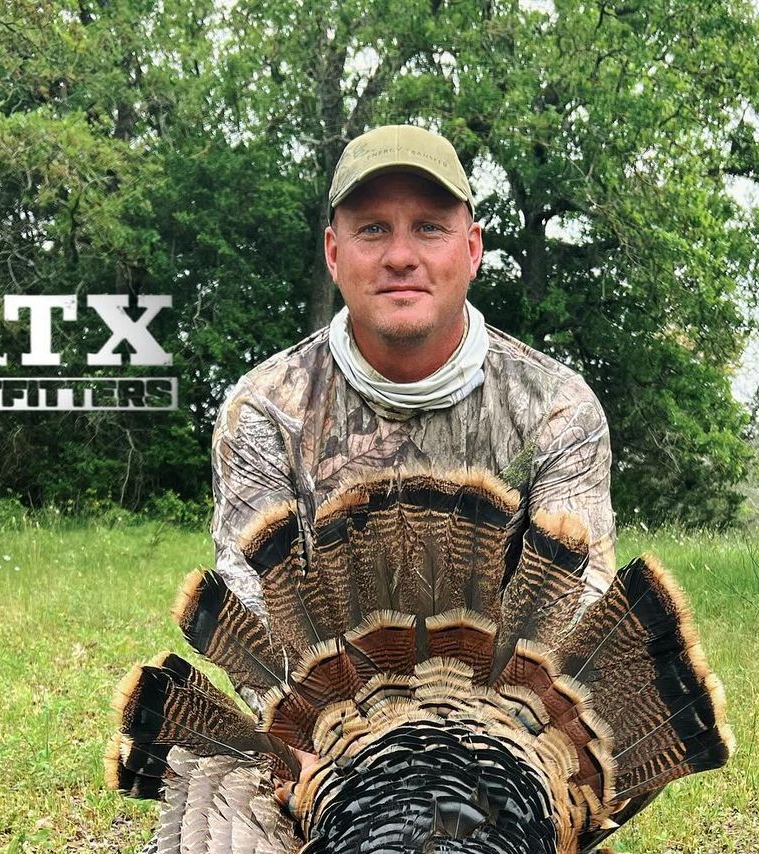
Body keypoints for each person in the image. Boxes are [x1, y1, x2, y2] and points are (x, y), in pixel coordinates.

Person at [210, 123, 617, 620]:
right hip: (325, 696)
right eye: (373, 229)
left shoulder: (559, 410)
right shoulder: (264, 410)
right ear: (334, 254)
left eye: (429, 227)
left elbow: (575, 618)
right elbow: (260, 621)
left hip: (507, 696)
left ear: (472, 250)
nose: (401, 257)